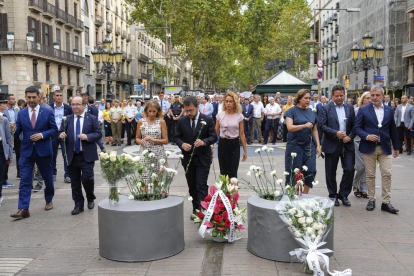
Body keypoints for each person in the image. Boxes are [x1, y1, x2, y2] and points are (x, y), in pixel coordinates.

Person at [11, 86, 58, 219]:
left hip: (43, 151)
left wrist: (42, 135)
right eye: (29, 97)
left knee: (48, 179)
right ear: (25, 98)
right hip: (26, 152)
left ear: (39, 97)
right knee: (25, 180)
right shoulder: (21, 113)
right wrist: (13, 129)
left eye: (34, 97)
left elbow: (54, 129)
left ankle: (48, 199)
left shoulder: (47, 112)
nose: (31, 100)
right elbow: (18, 131)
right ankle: (23, 208)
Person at [354, 86, 400, 213]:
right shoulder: (363, 110)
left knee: (387, 174)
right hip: (369, 147)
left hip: (385, 147)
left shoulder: (389, 110)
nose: (374, 97)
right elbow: (357, 128)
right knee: (370, 175)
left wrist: (397, 147)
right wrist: (367, 136)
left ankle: (386, 202)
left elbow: (393, 130)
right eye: (372, 95)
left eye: (377, 95)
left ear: (382, 96)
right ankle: (371, 200)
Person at [174, 96, 217, 219]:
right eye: (186, 110)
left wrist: (204, 142)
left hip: (203, 158)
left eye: (191, 110)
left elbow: (214, 137)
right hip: (188, 159)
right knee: (192, 185)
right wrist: (182, 144)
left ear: (197, 107)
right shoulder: (182, 121)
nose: (188, 113)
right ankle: (196, 208)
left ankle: (203, 211)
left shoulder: (208, 119)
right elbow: (176, 137)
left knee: (201, 185)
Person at [59, 96, 101, 215]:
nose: (75, 107)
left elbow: (98, 133)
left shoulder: (91, 118)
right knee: (75, 182)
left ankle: (90, 197)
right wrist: (61, 135)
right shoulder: (66, 119)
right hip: (72, 155)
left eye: (77, 104)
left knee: (87, 179)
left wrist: (88, 137)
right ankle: (78, 205)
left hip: (86, 155)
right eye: (73, 104)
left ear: (84, 105)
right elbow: (60, 132)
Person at [319, 85, 356, 207]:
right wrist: (336, 133)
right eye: (337, 96)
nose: (339, 98)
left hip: (347, 144)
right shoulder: (326, 108)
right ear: (333, 96)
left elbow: (355, 126)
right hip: (331, 143)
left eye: (341, 95)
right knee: (331, 172)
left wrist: (349, 136)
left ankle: (343, 194)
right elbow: (322, 126)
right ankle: (333, 195)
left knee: (349, 169)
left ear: (344, 95)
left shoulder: (350, 108)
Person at [284, 89, 321, 194]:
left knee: (311, 170)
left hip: (309, 145)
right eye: (306, 98)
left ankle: (305, 195)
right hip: (295, 145)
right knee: (293, 172)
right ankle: (292, 195)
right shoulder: (291, 111)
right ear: (299, 99)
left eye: (309, 98)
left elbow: (314, 129)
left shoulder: (312, 111)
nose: (308, 100)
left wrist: (318, 145)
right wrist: (304, 125)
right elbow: (289, 127)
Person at [135, 100, 168, 183]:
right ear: (146, 111)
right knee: (144, 178)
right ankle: (144, 195)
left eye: (154, 111)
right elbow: (137, 138)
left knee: (157, 179)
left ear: (158, 111)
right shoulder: (141, 121)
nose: (152, 114)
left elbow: (165, 140)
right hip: (144, 151)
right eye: (150, 111)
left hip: (158, 153)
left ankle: (157, 195)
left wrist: (154, 140)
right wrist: (141, 141)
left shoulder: (161, 122)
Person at [216, 92, 247, 178]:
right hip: (223, 143)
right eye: (227, 101)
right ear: (224, 102)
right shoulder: (219, 116)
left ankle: (233, 191)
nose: (228, 103)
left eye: (230, 101)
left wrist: (245, 150)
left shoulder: (239, 116)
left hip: (234, 144)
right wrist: (211, 146)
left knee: (233, 172)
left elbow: (242, 134)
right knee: (224, 172)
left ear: (234, 103)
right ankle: (225, 191)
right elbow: (216, 132)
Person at [49, 87, 73, 183]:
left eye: (60, 96)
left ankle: (67, 175)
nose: (59, 97)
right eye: (57, 96)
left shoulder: (68, 108)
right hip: (53, 134)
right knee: (52, 154)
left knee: (65, 154)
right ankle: (53, 173)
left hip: (64, 134)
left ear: (63, 97)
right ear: (54, 97)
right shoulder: (49, 107)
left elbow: (71, 121)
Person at [353, 92, 371, 199]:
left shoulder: (373, 110)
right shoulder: (356, 110)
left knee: (368, 166)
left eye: (370, 98)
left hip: (369, 141)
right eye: (367, 98)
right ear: (363, 99)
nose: (369, 100)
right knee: (361, 166)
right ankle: (355, 185)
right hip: (358, 140)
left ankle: (363, 188)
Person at [0, 95, 14, 206]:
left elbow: (8, 138)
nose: (5, 104)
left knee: (1, 173)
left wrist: (10, 154)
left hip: (1, 149)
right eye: (3, 103)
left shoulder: (4, 119)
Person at [4, 94, 19, 184]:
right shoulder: (3, 111)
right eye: (13, 99)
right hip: (7, 136)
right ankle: (4, 179)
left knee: (19, 154)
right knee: (7, 156)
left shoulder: (17, 110)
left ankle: (19, 173)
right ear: (8, 101)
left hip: (17, 135)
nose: (15, 100)